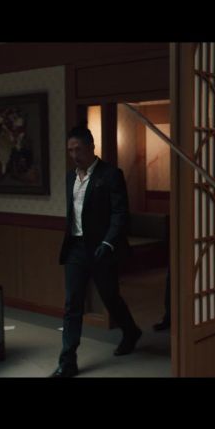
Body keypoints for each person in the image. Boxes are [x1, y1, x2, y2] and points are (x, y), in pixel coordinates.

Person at [52, 126, 142, 378]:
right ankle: (67, 361)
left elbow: (119, 213)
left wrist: (109, 242)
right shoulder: (70, 177)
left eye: (78, 149)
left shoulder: (111, 175)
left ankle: (131, 331)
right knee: (72, 304)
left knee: (110, 297)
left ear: (91, 146)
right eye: (70, 150)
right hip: (75, 248)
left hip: (102, 248)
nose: (74, 155)